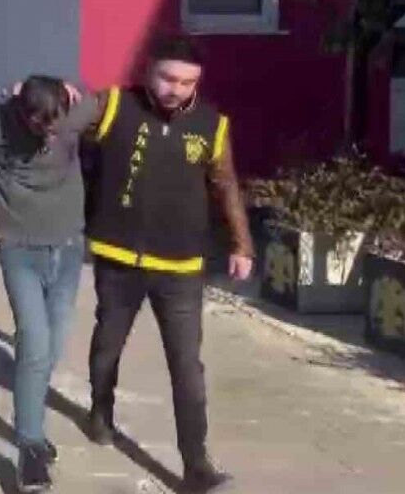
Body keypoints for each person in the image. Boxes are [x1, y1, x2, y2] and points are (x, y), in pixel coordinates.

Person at [82, 35, 254, 494]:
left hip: (180, 265)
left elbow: (226, 185)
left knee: (187, 366)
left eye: (187, 82)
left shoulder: (212, 125)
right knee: (107, 346)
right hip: (119, 258)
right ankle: (101, 409)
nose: (176, 89)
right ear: (148, 71)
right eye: (167, 78)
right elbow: (62, 121)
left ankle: (196, 463)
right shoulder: (114, 106)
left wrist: (241, 245)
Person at [0, 75, 99, 492]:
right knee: (36, 344)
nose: (50, 132)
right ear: (21, 112)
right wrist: (10, 93)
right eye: (40, 124)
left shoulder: (72, 114)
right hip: (19, 249)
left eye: (56, 123)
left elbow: (99, 101)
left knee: (51, 347)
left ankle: (30, 406)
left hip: (68, 247)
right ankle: (30, 447)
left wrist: (73, 86)